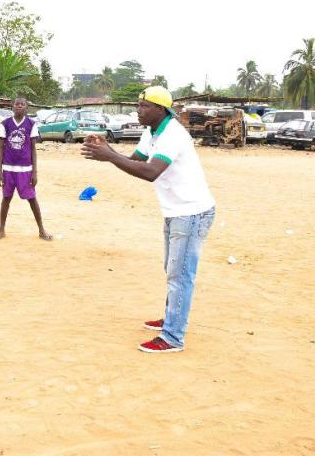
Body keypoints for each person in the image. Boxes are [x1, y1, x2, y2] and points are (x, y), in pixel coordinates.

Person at [81, 86, 215, 354]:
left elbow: (151, 172)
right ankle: (173, 317)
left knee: (180, 275)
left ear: (161, 110)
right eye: (138, 105)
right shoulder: (152, 132)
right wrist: (107, 151)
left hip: (191, 212)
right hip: (176, 211)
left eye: (144, 106)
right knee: (172, 269)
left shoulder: (172, 134)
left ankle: (173, 336)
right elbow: (135, 161)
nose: (138, 110)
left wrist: (110, 156)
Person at [0, 97, 52, 241]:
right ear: (12, 106)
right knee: (6, 199)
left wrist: (34, 172)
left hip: (25, 169)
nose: (19, 106)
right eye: (17, 104)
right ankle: (1, 230)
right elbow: (1, 149)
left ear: (26, 107)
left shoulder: (31, 124)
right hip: (8, 169)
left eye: (22, 104)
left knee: (32, 199)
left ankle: (42, 230)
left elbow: (33, 149)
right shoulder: (5, 124)